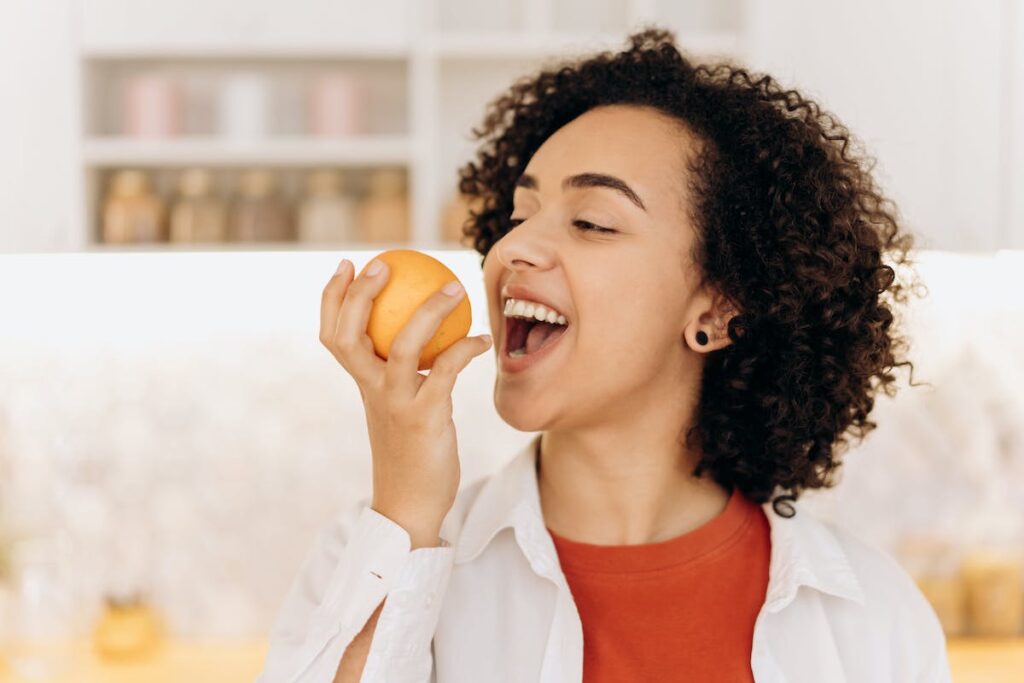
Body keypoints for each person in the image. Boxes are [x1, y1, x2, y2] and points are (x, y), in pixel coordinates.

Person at [257, 27, 951, 682]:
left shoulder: (869, 617)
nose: (512, 248)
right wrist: (406, 514)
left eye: (591, 222)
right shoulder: (376, 555)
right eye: (519, 216)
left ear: (716, 306)